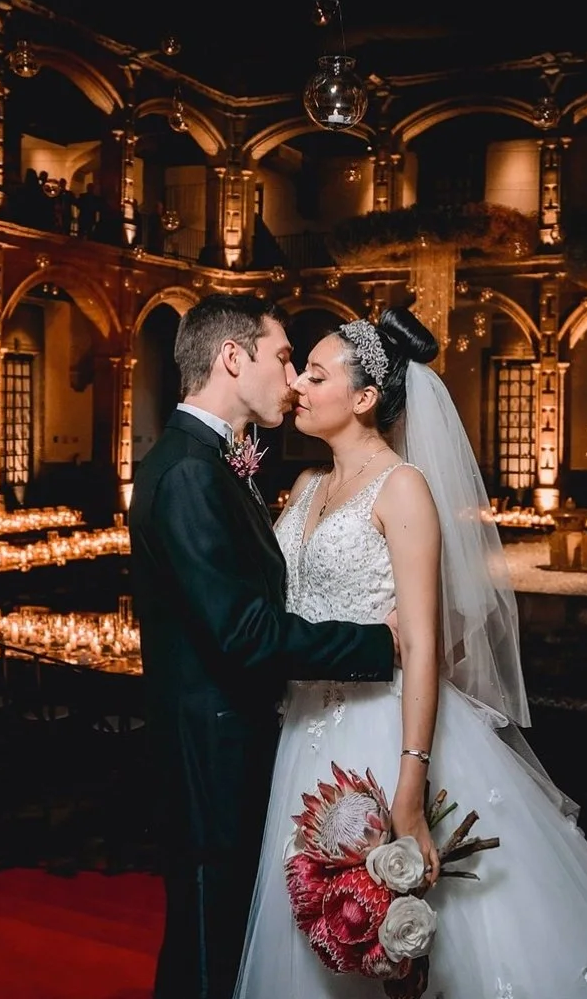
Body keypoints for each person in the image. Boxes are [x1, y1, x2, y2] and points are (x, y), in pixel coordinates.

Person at [235, 308, 587, 998]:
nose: (298, 388)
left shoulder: (401, 488)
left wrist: (410, 783)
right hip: (300, 728)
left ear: (365, 398)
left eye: (315, 376)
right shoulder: (308, 486)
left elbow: (425, 646)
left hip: (380, 726)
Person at [129, 294, 399, 999]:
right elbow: (243, 634)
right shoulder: (188, 472)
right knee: (206, 951)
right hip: (209, 755)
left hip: (237, 744)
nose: (291, 379)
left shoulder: (213, 463)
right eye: (282, 358)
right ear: (231, 358)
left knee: (222, 942)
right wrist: (381, 643)